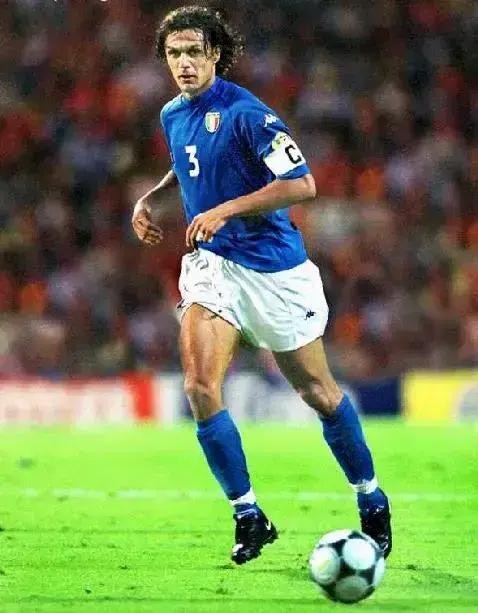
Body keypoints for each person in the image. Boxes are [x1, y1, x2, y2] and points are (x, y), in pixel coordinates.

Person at [132, 5, 392, 565]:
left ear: (216, 54)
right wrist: (152, 197)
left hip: (275, 271)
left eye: (194, 52)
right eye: (174, 53)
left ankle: (371, 497)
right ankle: (248, 514)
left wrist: (225, 209)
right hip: (213, 266)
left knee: (318, 394)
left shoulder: (249, 114)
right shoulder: (173, 113)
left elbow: (302, 184)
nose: (183, 63)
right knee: (200, 388)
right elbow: (191, 161)